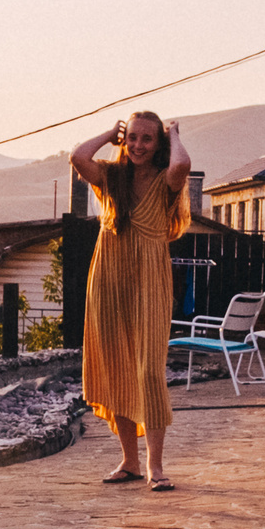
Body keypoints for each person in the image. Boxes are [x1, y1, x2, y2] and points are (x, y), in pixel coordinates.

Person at [71, 109, 191, 489]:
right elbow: (77, 157)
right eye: (133, 137)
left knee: (149, 371)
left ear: (159, 145)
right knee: (116, 368)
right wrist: (110, 133)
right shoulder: (112, 177)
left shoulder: (166, 180)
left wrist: (174, 133)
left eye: (147, 139)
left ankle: (156, 467)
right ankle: (129, 462)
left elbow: (183, 163)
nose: (138, 145)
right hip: (108, 279)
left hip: (150, 280)